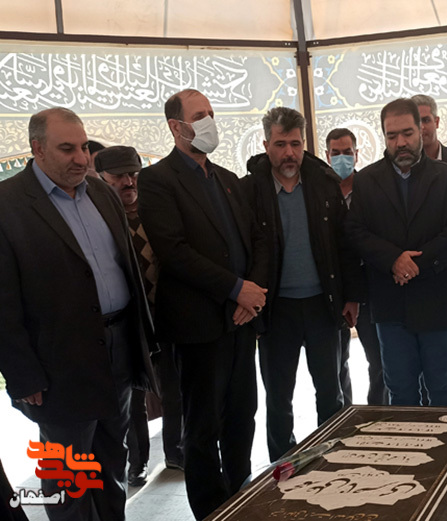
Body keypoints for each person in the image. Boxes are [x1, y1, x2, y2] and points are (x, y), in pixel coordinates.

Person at [0, 107, 157, 521]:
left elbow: (126, 269)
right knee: (70, 481)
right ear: (37, 149)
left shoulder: (101, 194)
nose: (81, 158)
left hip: (118, 351)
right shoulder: (8, 205)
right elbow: (3, 302)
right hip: (58, 367)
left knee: (112, 467)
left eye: (84, 147)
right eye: (67, 149)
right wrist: (22, 374)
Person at [137, 89, 269, 520]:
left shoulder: (228, 180)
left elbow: (257, 240)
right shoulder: (158, 181)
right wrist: (235, 289)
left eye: (212, 113)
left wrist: (251, 294)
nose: (210, 121)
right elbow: (174, 252)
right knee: (202, 427)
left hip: (240, 321)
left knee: (242, 416)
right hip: (198, 327)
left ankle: (240, 497)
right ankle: (211, 510)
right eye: (200, 115)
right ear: (177, 127)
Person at [242, 108, 362, 461]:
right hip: (276, 309)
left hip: (323, 304)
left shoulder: (323, 184)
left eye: (295, 144)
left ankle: (334, 457)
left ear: (304, 143)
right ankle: (282, 465)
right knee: (279, 397)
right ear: (266, 144)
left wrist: (352, 296)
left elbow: (344, 244)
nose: (289, 153)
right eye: (281, 144)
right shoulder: (250, 190)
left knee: (330, 391)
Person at [345, 98, 447, 407]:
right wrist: (393, 260)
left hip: (437, 302)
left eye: (407, 133)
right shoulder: (366, 181)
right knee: (400, 392)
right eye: (392, 136)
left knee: (444, 389)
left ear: (421, 130)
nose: (400, 142)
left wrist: (415, 264)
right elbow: (356, 231)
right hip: (390, 305)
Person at [95, 146, 185, 487]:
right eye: (118, 176)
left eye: (133, 174)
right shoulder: (101, 219)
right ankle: (138, 462)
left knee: (174, 388)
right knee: (133, 395)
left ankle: (176, 451)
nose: (128, 182)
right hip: (129, 322)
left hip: (167, 315)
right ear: (102, 178)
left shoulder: (155, 211)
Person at [326, 127, 387, 405]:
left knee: (380, 360)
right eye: (336, 153)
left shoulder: (370, 188)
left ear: (357, 154)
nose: (342, 158)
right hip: (334, 287)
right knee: (336, 363)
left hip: (370, 287)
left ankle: (379, 413)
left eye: (347, 152)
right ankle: (345, 416)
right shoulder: (321, 192)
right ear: (327, 156)